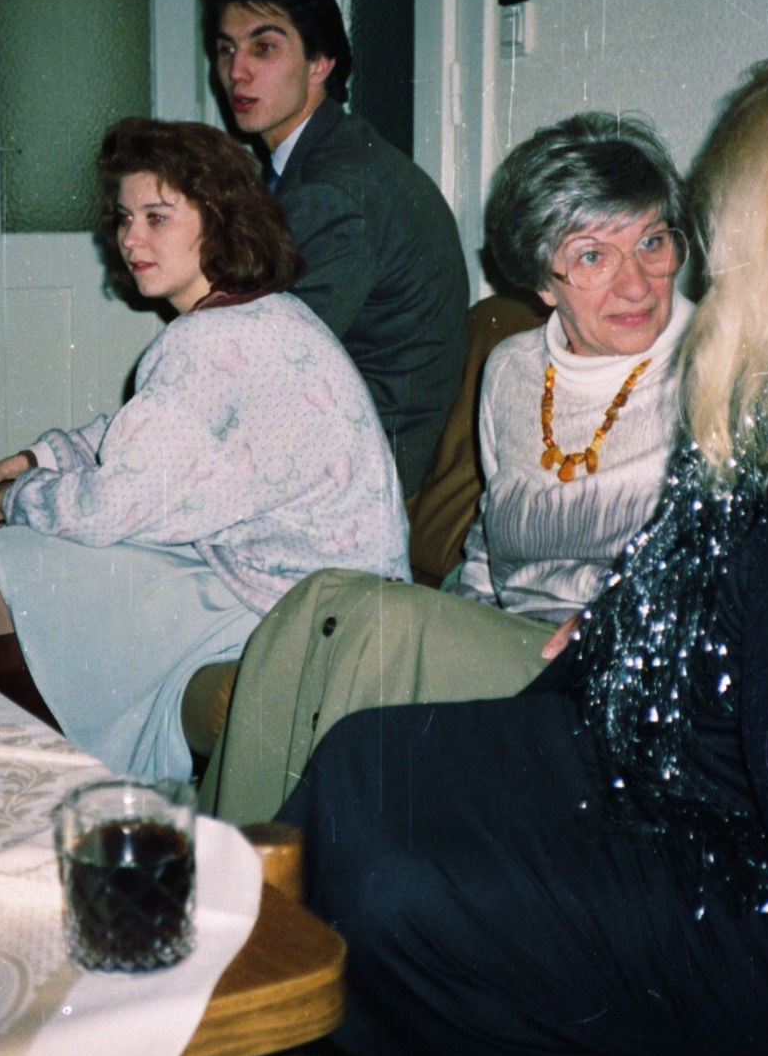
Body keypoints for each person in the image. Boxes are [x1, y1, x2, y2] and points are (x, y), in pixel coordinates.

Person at [280, 28, 768, 1056]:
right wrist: (587, 673)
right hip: (641, 743)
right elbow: (659, 586)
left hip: (753, 872)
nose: (677, 268)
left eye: (687, 233)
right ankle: (255, 983)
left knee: (393, 875)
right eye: (597, 251)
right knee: (360, 765)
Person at [206, 113, 694, 826]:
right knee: (322, 600)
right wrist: (450, 624)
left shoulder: (718, 369)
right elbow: (486, 552)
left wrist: (627, 620)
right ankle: (226, 862)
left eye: (652, 242)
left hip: (611, 673)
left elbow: (740, 571)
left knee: (385, 629)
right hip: (512, 644)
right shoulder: (513, 369)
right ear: (543, 279)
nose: (636, 284)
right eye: (593, 256)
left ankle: (273, 878)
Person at [0, 118, 409, 783]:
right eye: (124, 218)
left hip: (297, 616)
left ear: (219, 221)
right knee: (45, 554)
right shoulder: (266, 312)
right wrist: (31, 461)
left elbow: (110, 506)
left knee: (1, 559)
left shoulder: (207, 343)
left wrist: (7, 499)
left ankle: (44, 780)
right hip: (337, 598)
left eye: (156, 217)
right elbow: (146, 434)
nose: (130, 238)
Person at [201, 0, 469, 496]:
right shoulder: (319, 160)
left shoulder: (333, 192)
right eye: (226, 49)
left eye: (263, 48)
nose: (236, 72)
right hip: (331, 437)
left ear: (321, 62)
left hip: (359, 474)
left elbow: (262, 371)